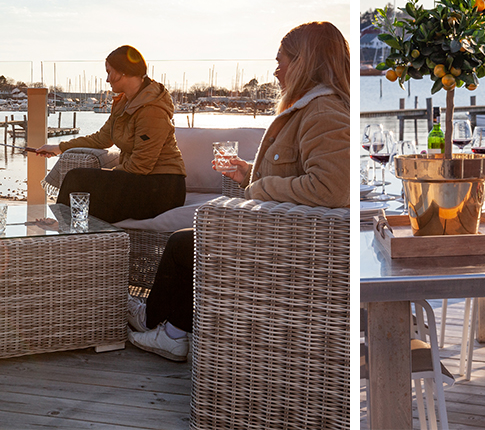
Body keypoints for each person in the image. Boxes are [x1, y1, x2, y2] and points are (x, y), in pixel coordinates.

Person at [126, 21, 349, 361]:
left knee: (184, 244)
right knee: (188, 241)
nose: (275, 71)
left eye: (281, 61)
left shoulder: (323, 111)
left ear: (302, 62)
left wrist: (259, 187)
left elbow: (330, 188)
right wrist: (248, 173)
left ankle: (158, 324)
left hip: (288, 248)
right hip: (286, 234)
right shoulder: (311, 109)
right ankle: (172, 330)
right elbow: (301, 174)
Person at [33, 45, 187, 223]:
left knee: (79, 179)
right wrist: (59, 148)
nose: (107, 79)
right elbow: (102, 138)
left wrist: (107, 176)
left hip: (163, 189)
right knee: (79, 180)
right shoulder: (124, 103)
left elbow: (141, 165)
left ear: (123, 72)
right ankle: (69, 229)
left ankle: (65, 228)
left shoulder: (151, 109)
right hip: (139, 181)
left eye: (109, 72)